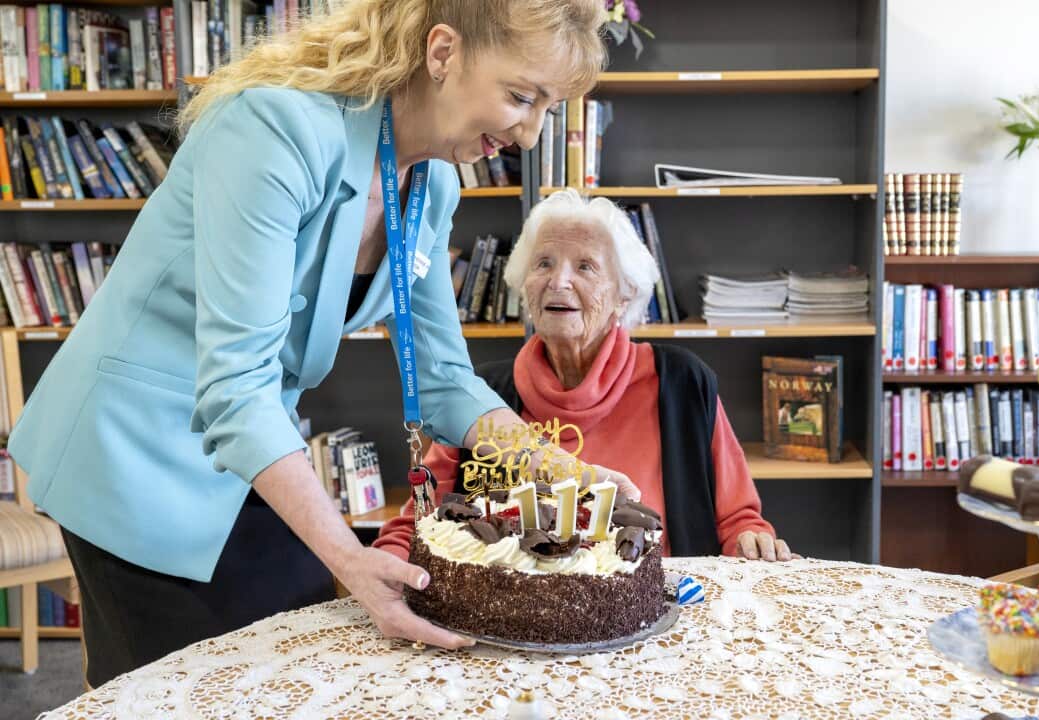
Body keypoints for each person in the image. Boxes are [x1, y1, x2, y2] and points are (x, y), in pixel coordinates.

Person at [6, 0, 640, 687]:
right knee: (178, 691)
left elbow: (441, 377)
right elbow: (239, 386)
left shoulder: (434, 185)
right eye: (521, 96)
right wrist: (350, 557)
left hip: (248, 450)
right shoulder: (272, 129)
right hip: (133, 454)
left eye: (548, 107)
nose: (527, 132)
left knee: (299, 672)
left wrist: (556, 468)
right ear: (442, 52)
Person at [375, 189, 793, 562]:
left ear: (624, 293)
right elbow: (416, 523)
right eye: (544, 263)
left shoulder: (682, 382)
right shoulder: (478, 399)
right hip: (513, 625)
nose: (559, 281)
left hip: (658, 618)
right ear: (524, 285)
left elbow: (738, 518)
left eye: (586, 267)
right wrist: (387, 565)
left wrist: (751, 539)